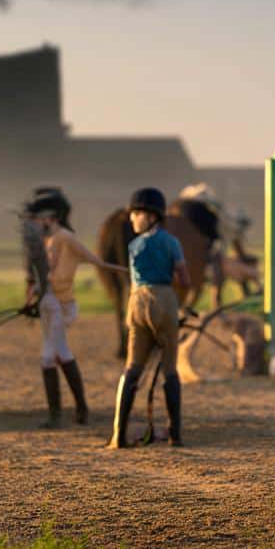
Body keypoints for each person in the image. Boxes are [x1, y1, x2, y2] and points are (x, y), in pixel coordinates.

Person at [24, 187, 127, 429]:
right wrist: (32, 297)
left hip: (60, 305)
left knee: (49, 356)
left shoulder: (65, 238)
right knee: (61, 353)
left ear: (52, 217)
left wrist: (126, 270)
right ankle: (80, 410)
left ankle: (58, 415)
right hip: (49, 303)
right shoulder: (50, 240)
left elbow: (94, 260)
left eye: (39, 218)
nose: (36, 223)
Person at [108, 187, 190, 449]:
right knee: (170, 370)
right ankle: (175, 435)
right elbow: (184, 279)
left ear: (150, 216)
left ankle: (118, 435)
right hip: (164, 300)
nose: (132, 219)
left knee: (132, 367)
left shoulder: (133, 245)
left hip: (136, 302)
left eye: (136, 214)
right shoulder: (172, 243)